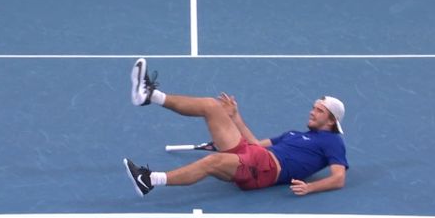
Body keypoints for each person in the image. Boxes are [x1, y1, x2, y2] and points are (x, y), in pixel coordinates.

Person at [123, 58, 348, 197]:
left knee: (212, 162)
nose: (312, 111)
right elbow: (256, 144)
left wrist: (310, 188)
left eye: (319, 110)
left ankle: (149, 181)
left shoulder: (332, 141)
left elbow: (338, 178)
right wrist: (235, 117)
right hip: (255, 155)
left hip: (265, 170)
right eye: (314, 107)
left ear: (331, 120)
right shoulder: (294, 134)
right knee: (211, 106)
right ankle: (149, 96)